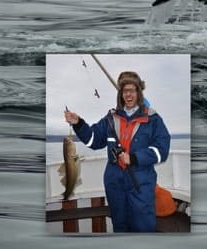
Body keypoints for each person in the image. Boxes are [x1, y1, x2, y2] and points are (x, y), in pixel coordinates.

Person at [64, 71, 170, 232]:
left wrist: (134, 158)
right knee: (119, 227)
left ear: (139, 92)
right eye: (124, 90)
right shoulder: (110, 118)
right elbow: (93, 140)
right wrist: (78, 123)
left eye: (132, 90)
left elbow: (162, 150)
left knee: (143, 228)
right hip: (115, 183)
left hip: (140, 182)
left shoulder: (153, 119)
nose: (128, 94)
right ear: (120, 94)